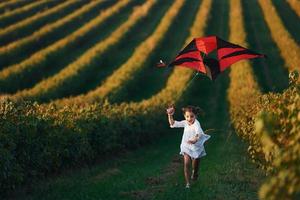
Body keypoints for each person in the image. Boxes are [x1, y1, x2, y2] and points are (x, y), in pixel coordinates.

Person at [166, 105, 210, 189]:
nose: (189, 119)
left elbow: (198, 133)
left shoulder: (196, 123)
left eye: (192, 116)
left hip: (196, 146)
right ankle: (188, 184)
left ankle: (195, 173)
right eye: (187, 116)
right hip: (186, 146)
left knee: (196, 163)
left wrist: (195, 139)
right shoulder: (185, 122)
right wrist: (170, 115)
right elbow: (173, 123)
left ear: (195, 116)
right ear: (184, 116)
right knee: (186, 164)